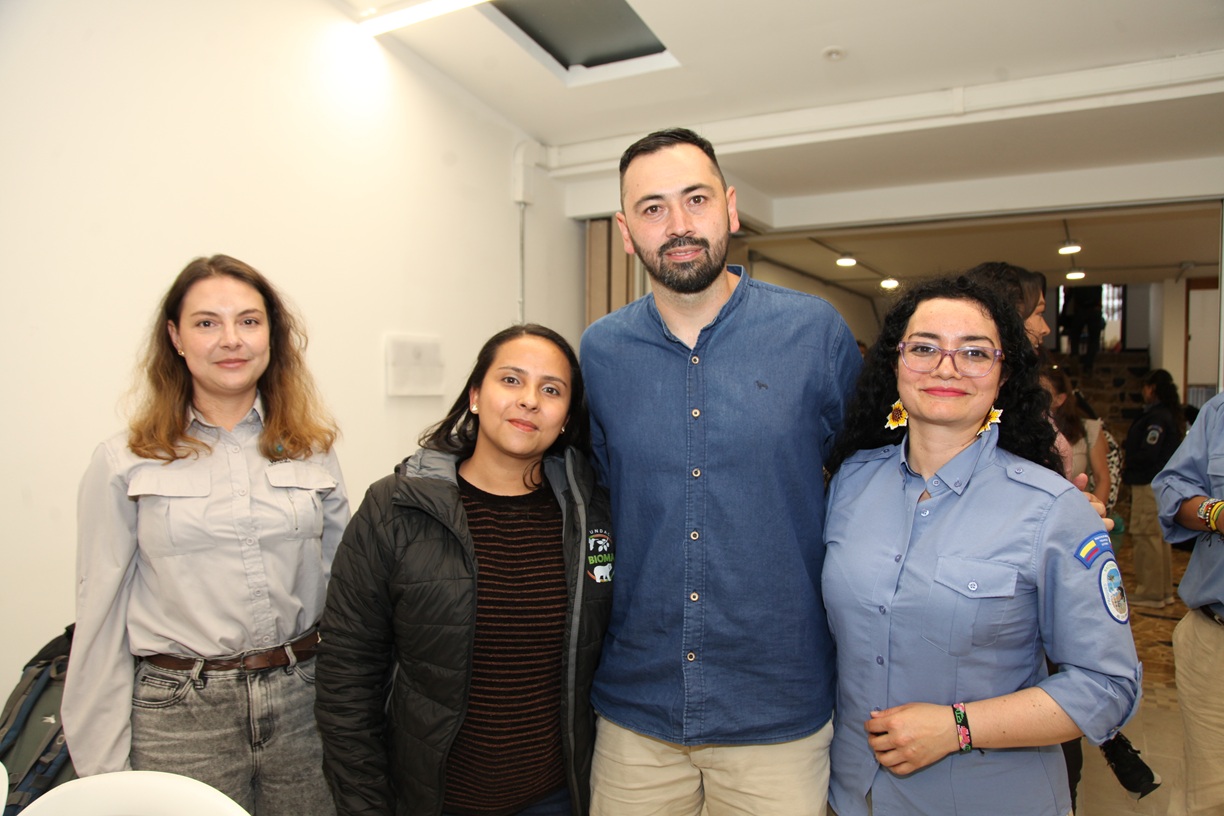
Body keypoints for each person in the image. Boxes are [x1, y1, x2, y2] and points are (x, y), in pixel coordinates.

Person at [580, 128, 861, 814]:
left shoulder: (814, 334)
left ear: (730, 208)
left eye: (695, 199)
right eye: (651, 208)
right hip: (636, 711)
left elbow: (871, 476)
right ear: (625, 232)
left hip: (777, 709)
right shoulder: (601, 352)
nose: (677, 226)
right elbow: (591, 501)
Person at [821, 275, 1142, 816]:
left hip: (988, 797)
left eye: (973, 352)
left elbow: (1108, 685)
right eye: (924, 348)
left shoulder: (1052, 509)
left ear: (1004, 372)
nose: (946, 368)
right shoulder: (850, 482)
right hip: (853, 794)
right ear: (895, 362)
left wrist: (957, 727)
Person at [62, 255, 349, 815]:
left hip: (303, 703)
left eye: (248, 320)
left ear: (272, 334)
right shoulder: (126, 461)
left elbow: (347, 588)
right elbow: (98, 615)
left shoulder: (315, 449)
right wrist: (101, 772)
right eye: (206, 323)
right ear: (175, 337)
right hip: (180, 715)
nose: (230, 340)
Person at [315, 324, 613, 816]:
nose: (530, 401)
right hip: (434, 799)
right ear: (476, 396)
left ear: (565, 418)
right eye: (511, 381)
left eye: (551, 389)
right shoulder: (395, 508)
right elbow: (347, 675)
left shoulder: (592, 515)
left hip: (556, 798)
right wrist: (365, 804)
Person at [1154, 391, 1224, 815]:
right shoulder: (1219, 413)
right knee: (1208, 795)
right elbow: (1173, 488)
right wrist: (1216, 513)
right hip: (1215, 642)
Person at [1123, 369, 1185, 608]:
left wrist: (1131, 459)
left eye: (1146, 387)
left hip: (1149, 482)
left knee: (1146, 536)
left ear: (1152, 389)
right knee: (1158, 538)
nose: (1143, 392)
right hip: (1160, 483)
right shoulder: (1166, 414)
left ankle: (1150, 592)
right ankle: (1162, 590)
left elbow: (1150, 452)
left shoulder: (1157, 418)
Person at [1044, 366, 1111, 510]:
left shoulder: (1087, 429)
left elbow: (1103, 479)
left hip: (1076, 513)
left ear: (1060, 399)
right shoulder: (1023, 430)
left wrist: (1092, 518)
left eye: (1044, 391)